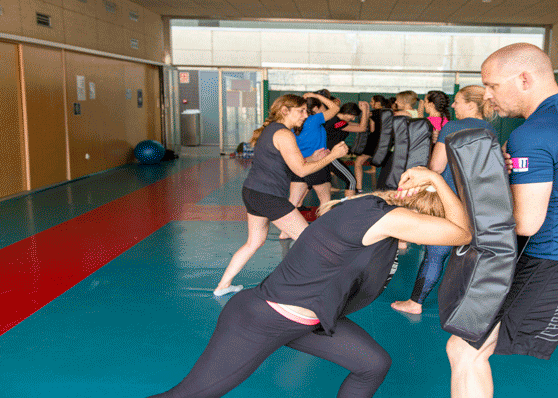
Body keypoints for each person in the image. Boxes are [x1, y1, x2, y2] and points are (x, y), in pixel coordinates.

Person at [150, 167, 472, 398]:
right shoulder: (385, 218)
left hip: (309, 320)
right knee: (190, 394)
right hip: (263, 318)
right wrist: (434, 179)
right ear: (421, 215)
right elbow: (462, 232)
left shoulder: (374, 211)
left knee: (373, 364)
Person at [445, 43, 558, 398]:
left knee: (464, 349)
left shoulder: (532, 133)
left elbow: (526, 224)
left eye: (492, 86)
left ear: (524, 79)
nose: (488, 97)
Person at [213, 94, 349, 296]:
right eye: (301, 111)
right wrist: (332, 156)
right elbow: (301, 171)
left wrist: (312, 157)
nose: (306, 115)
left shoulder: (272, 131)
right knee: (309, 240)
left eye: (306, 110)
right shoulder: (284, 134)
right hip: (268, 196)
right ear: (285, 111)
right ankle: (306, 288)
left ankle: (222, 286)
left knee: (254, 242)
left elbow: (287, 163)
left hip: (253, 192)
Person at [391, 85, 495, 315]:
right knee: (470, 255)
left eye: (457, 101)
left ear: (471, 105)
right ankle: (469, 305)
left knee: (436, 253)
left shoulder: (453, 126)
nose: (454, 106)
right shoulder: (489, 128)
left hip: (449, 198)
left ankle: (415, 303)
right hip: (478, 201)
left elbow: (436, 168)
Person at [324, 101, 370, 197]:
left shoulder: (339, 122)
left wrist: (367, 110)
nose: (353, 119)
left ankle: (298, 204)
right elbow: (362, 128)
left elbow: (360, 126)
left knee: (315, 183)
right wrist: (365, 111)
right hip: (329, 155)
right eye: (352, 116)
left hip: (327, 154)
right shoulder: (337, 123)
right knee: (351, 181)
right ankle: (348, 208)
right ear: (347, 113)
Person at [353, 95, 389, 194]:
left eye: (372, 102)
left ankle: (359, 187)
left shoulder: (374, 114)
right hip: (384, 142)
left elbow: (371, 129)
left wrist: (365, 110)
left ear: (378, 103)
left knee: (358, 163)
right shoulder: (387, 112)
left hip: (373, 142)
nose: (371, 103)